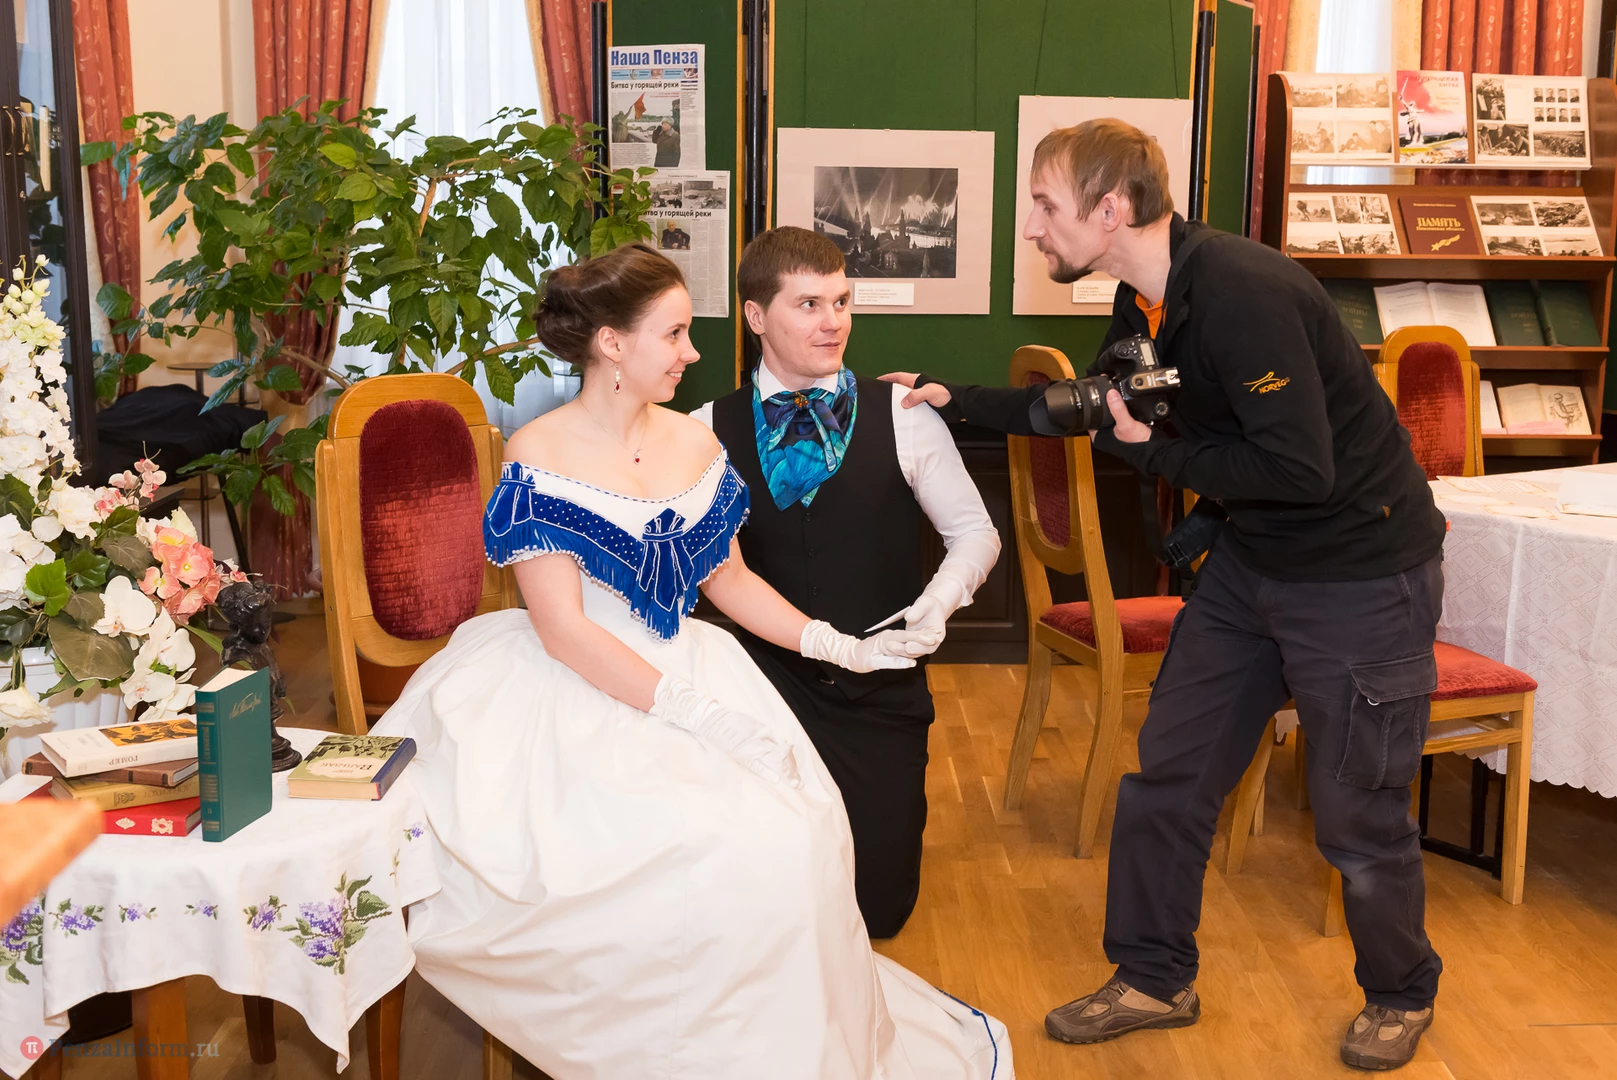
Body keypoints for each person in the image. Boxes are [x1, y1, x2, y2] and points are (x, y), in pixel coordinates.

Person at [884, 118, 1447, 1072]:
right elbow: (1091, 408)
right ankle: (1152, 978)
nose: (1032, 226)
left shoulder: (1243, 294)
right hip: (1251, 566)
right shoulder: (1141, 301)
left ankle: (1400, 992)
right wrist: (955, 399)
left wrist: (1156, 456)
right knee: (1168, 781)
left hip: (1359, 575)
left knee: (1356, 812)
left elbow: (1298, 470)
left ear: (1110, 209)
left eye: (1045, 205)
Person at [371, 244, 1012, 1079]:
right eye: (674, 334)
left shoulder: (691, 442)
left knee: (794, 833)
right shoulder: (537, 451)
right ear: (611, 343)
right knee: (673, 856)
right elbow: (562, 629)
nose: (692, 351)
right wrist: (689, 711)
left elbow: (730, 580)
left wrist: (832, 643)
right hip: (577, 690)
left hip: (694, 665)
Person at [692, 226, 1001, 938]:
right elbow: (716, 574)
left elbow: (974, 534)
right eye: (808, 304)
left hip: (879, 691)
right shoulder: (705, 429)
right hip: (762, 691)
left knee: (878, 911)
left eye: (840, 302)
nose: (832, 322)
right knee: (771, 911)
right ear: (755, 315)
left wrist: (935, 605)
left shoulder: (904, 414)